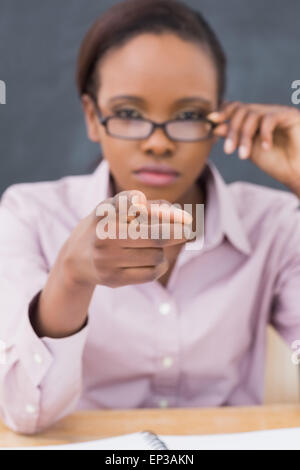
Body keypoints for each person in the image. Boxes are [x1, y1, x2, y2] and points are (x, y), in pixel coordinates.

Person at [1, 0, 300, 436]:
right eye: (127, 113)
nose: (158, 143)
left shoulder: (275, 224)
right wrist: (69, 279)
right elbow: (24, 413)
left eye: (188, 115)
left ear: (220, 119)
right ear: (92, 116)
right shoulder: (29, 214)